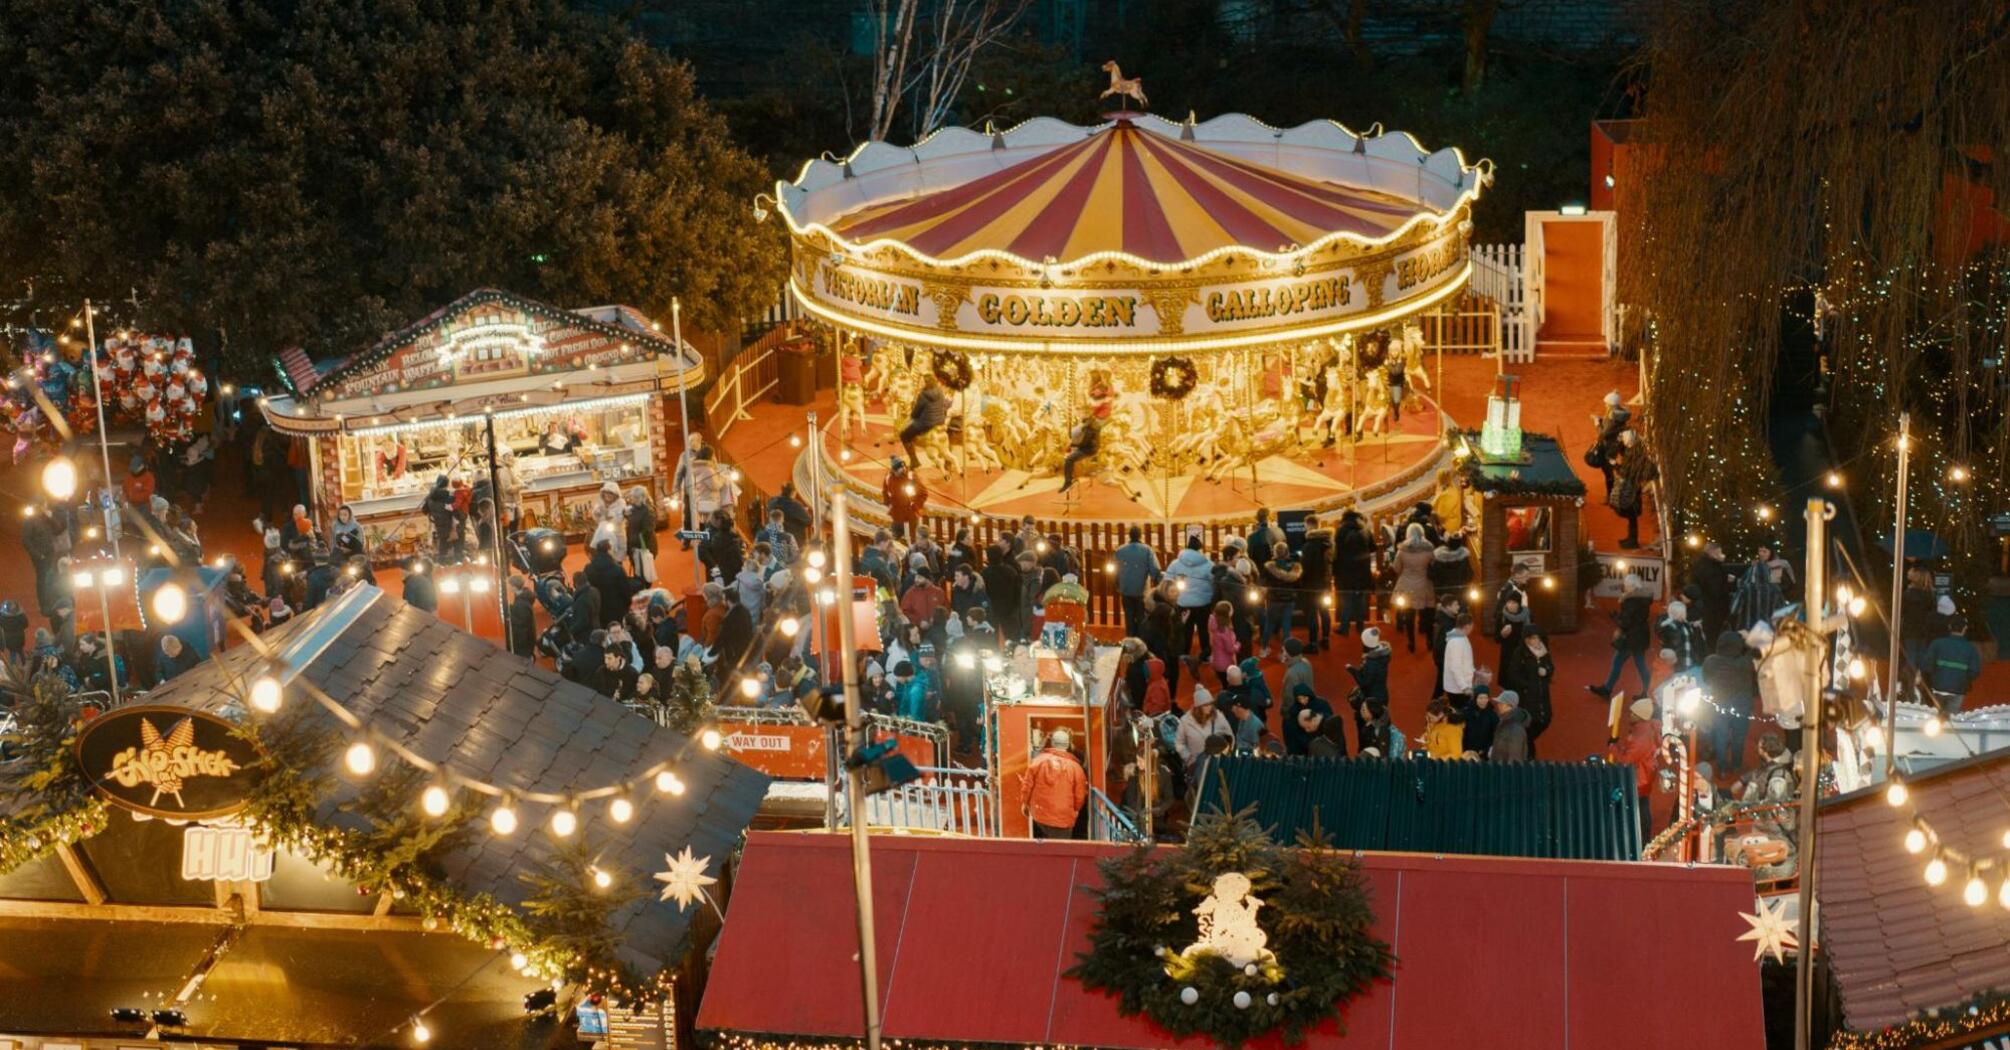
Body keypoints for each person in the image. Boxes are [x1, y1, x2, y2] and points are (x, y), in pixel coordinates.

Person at [1701, 630, 1758, 776]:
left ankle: (1722, 769)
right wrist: (1748, 637)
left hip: (1720, 703)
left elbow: (1706, 680)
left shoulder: (1710, 661)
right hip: (1742, 706)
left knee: (1721, 737)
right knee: (1739, 737)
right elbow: (1758, 650)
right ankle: (1737, 765)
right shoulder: (1745, 662)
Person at [1590, 574, 1653, 699]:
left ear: (1631, 586)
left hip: (1631, 637)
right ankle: (1648, 691)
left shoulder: (1631, 600)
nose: (1624, 587)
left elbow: (1626, 621)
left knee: (1618, 662)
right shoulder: (1643, 598)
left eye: (1626, 585)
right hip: (1640, 635)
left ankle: (1608, 689)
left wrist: (1616, 618)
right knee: (1640, 665)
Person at [1610, 697, 1663, 841]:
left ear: (1640, 716)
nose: (1630, 715)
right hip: (1646, 775)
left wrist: (1613, 747)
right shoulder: (1649, 728)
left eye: (1633, 713)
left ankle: (1640, 838)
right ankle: (1643, 837)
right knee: (1643, 804)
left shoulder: (1641, 737)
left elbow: (1627, 760)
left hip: (1638, 779)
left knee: (1639, 807)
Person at [1021, 729, 1088, 838]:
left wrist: (1025, 803)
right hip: (1063, 819)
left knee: (1041, 849)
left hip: (1039, 816)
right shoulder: (1076, 768)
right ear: (1067, 745)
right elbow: (1080, 796)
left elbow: (1027, 786)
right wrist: (1076, 810)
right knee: (1061, 851)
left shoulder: (1038, 761)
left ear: (1052, 743)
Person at [1498, 628, 1554, 756]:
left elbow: (1551, 667)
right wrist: (1528, 685)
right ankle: (1529, 755)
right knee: (1529, 726)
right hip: (1527, 697)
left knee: (1545, 721)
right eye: (1534, 638)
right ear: (1527, 640)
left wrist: (1546, 670)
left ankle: (1522, 744)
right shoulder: (1520, 654)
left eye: (1538, 638)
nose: (1537, 641)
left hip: (1542, 695)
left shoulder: (1544, 652)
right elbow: (1513, 674)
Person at [1166, 535, 1216, 661]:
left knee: (1186, 629)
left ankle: (1184, 653)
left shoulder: (1175, 563)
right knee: (1203, 629)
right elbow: (1214, 581)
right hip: (1203, 602)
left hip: (1183, 601)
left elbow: (1167, 580)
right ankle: (1205, 655)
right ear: (1199, 550)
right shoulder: (1208, 564)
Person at [1923, 617, 1984, 712]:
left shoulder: (1937, 644)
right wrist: (1964, 682)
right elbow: (1975, 671)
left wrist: (1935, 678)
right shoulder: (1971, 649)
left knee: (1933, 718)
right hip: (1958, 691)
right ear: (1965, 629)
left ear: (1949, 627)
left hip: (1937, 688)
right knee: (1950, 720)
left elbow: (1927, 666)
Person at [1390, 523, 1436, 651]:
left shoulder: (1402, 550)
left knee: (1409, 615)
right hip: (1425, 584)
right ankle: (1430, 641)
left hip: (1406, 584)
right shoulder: (1429, 549)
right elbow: (1434, 564)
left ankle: (1411, 642)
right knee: (1427, 615)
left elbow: (1396, 568)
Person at [1331, 510, 1375, 639]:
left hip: (1345, 570)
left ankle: (1344, 626)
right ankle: (1360, 625)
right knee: (1360, 598)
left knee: (1346, 599)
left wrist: (1334, 571)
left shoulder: (1341, 531)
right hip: (1362, 570)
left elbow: (1336, 552)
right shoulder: (1365, 530)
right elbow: (1373, 548)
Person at [1175, 686, 1232, 781]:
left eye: (1210, 704)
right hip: (1196, 765)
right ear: (1198, 706)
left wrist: (1225, 754)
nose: (1209, 707)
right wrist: (1189, 759)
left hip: (1216, 764)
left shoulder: (1218, 717)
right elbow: (1179, 744)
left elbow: (1230, 737)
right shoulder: (1185, 721)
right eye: (1206, 705)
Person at [1113, 526, 1161, 638]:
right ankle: (1141, 643)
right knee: (1141, 619)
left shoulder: (1120, 550)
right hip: (1142, 591)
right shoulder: (1147, 550)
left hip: (1125, 590)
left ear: (1129, 535)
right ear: (1140, 535)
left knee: (1129, 618)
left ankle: (1130, 642)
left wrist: (1117, 585)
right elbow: (1155, 570)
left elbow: (1115, 571)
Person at [1257, 540, 1301, 659]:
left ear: (1275, 552)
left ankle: (1263, 649)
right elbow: (1298, 585)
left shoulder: (1269, 567)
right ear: (1287, 552)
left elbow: (1262, 583)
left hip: (1273, 600)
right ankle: (1284, 654)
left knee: (1269, 625)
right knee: (1286, 626)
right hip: (1289, 601)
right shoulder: (1295, 567)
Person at [1297, 514, 1334, 651]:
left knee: (1312, 613)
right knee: (1324, 612)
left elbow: (1304, 568)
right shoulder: (1329, 543)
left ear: (1310, 526)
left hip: (1311, 586)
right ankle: (1325, 639)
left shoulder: (1308, 546)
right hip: (1325, 584)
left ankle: (1313, 643)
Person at [900, 377, 951, 467]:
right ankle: (948, 462)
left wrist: (913, 415)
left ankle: (914, 460)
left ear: (926, 383)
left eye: (921, 382)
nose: (920, 383)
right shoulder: (940, 392)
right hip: (940, 421)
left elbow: (916, 411)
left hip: (926, 423)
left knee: (904, 435)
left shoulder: (923, 394)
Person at [1689, 541, 1733, 641]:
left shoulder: (1700, 564)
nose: (1722, 555)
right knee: (1713, 636)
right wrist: (1727, 583)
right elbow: (1716, 589)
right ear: (1713, 553)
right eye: (1719, 553)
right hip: (1713, 609)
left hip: (1704, 606)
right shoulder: (1712, 567)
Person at [881, 457, 928, 538]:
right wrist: (888, 504)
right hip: (897, 514)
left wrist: (915, 505)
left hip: (911, 514)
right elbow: (885, 492)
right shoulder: (888, 477)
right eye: (897, 471)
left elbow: (924, 493)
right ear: (893, 470)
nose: (902, 470)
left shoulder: (911, 476)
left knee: (913, 538)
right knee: (894, 538)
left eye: (903, 468)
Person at [1657, 599, 1707, 674]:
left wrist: (1693, 625)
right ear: (1679, 613)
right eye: (1684, 612)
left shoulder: (1682, 624)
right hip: (1679, 664)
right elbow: (1678, 643)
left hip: (1687, 662)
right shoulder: (1672, 627)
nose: (1686, 613)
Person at [1282, 684, 1334, 756]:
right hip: (1302, 746)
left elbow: (1329, 722)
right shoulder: (1294, 711)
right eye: (1299, 699)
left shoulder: (1321, 704)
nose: (1303, 701)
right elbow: (1291, 733)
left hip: (1321, 744)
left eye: (1304, 697)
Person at [1347, 627, 1392, 707]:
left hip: (1374, 699)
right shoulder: (1383, 653)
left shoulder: (1371, 662)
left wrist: (1351, 670)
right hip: (1382, 694)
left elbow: (1364, 683)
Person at [1058, 415, 1101, 493]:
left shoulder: (1089, 428)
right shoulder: (1094, 424)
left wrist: (1072, 445)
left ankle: (1068, 483)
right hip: (1091, 448)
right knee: (1071, 455)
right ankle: (1071, 476)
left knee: (1069, 459)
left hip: (1088, 449)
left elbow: (1084, 443)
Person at [625, 486, 658, 584]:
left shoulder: (647, 511)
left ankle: (645, 594)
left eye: (634, 497)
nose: (632, 499)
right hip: (635, 548)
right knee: (638, 573)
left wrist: (633, 543)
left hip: (643, 548)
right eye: (632, 497)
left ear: (641, 497)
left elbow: (647, 532)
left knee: (645, 575)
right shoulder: (633, 509)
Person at [1441, 613, 1476, 707]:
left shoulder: (1462, 637)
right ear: (1467, 626)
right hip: (1457, 689)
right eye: (1472, 626)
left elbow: (1466, 661)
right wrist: (1464, 687)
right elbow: (1455, 668)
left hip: (1461, 686)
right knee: (1459, 717)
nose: (1472, 629)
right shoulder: (1456, 642)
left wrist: (1475, 672)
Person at [1455, 687, 1500, 756]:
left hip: (1483, 753)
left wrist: (1485, 749)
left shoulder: (1492, 715)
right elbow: (1460, 731)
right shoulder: (1466, 712)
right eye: (1480, 698)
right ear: (1475, 698)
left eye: (1486, 698)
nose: (1483, 701)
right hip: (1466, 752)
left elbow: (1494, 735)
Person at [1489, 691, 1530, 762]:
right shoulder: (1506, 723)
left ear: (1509, 705)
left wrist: (1508, 772)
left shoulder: (1514, 728)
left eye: (1501, 703)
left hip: (1507, 771)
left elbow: (1514, 757)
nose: (1498, 705)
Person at [508, 576, 537, 658]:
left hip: (523, 641)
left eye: (510, 585)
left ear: (514, 587)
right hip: (526, 639)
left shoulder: (521, 603)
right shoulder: (522, 598)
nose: (509, 587)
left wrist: (510, 617)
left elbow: (522, 622)